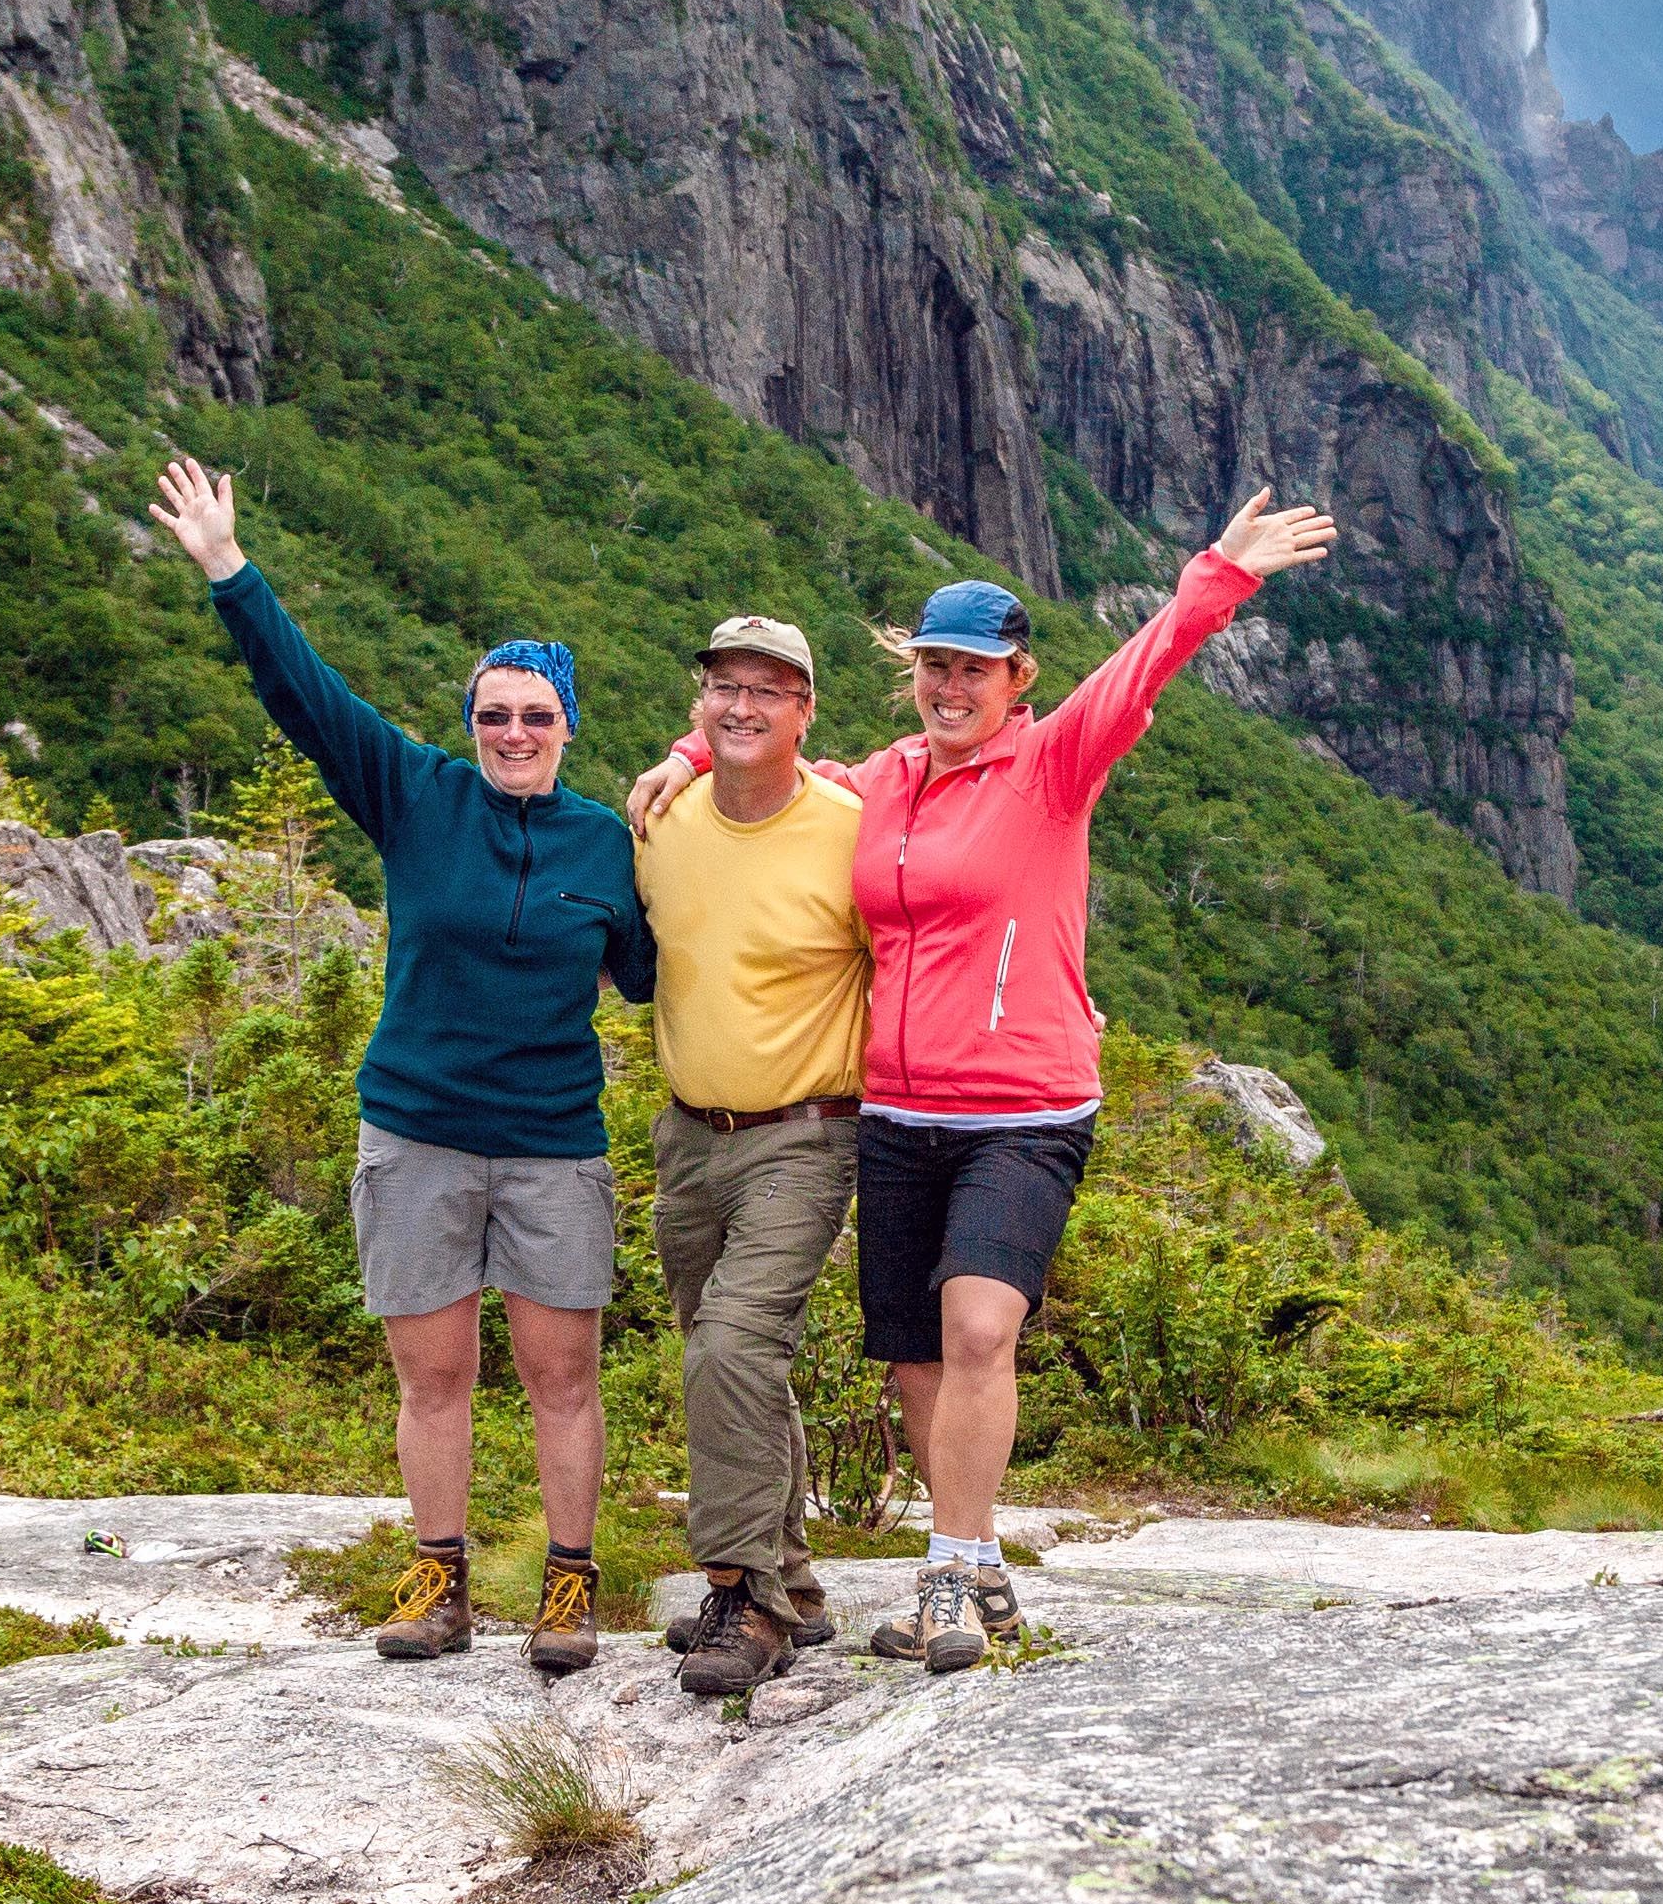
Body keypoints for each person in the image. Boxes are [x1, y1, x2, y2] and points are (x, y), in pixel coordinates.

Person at [636, 493, 1339, 1672]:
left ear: (1017, 677)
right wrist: (692, 750)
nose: (950, 686)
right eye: (933, 665)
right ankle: (974, 1566)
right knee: (916, 1351)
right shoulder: (889, 779)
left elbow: (1142, 664)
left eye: (974, 669)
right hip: (900, 1112)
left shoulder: (1053, 765)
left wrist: (1219, 575)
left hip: (1024, 1109)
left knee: (978, 1326)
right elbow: (783, 756)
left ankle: (950, 1574)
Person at [147, 451, 656, 1672]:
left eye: (537, 715)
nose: (515, 732)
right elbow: (306, 695)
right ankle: (441, 1579)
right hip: (418, 1131)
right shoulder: (417, 796)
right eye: (495, 714)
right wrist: (228, 568)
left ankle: (570, 1586)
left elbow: (656, 969)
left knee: (562, 1376)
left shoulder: (607, 843)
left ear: (568, 726)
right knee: (435, 1376)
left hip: (552, 1142)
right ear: (470, 723)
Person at [631, 613, 871, 1699]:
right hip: (688, 1137)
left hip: (807, 1137)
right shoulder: (662, 818)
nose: (742, 707)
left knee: (730, 1345)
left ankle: (744, 1597)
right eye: (724, 687)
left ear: (805, 712)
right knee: (733, 1359)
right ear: (700, 704)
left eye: (769, 691)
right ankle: (798, 1582)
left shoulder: (850, 828)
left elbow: (932, 941)